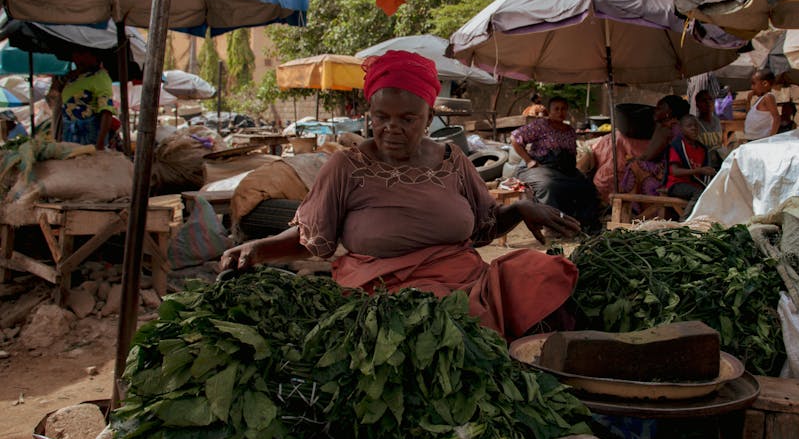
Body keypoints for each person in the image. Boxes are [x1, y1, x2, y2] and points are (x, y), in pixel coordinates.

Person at [220, 51, 581, 340]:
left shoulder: (453, 161)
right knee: (443, 325)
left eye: (408, 118)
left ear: (429, 116)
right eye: (381, 117)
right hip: (386, 294)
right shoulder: (347, 166)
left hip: (467, 280)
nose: (392, 128)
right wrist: (259, 249)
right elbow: (312, 238)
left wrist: (520, 208)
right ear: (370, 115)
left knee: (544, 271)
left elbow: (482, 230)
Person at [511, 96, 601, 232]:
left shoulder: (570, 130)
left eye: (563, 109)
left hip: (564, 170)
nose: (560, 112)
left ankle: (581, 225)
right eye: (556, 109)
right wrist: (529, 160)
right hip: (540, 167)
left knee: (587, 187)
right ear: (550, 111)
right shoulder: (540, 125)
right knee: (548, 186)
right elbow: (515, 138)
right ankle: (552, 227)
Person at [620, 95, 688, 196]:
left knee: (633, 167)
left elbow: (649, 155)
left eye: (659, 108)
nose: (655, 111)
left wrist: (635, 160)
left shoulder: (666, 128)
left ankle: (633, 207)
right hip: (683, 170)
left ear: (668, 113)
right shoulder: (681, 125)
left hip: (667, 173)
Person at [60, 50, 116, 149]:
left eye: (81, 54)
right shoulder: (74, 77)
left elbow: (107, 112)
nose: (77, 58)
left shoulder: (100, 77)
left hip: (88, 136)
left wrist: (100, 144)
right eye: (75, 54)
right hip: (69, 134)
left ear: (94, 56)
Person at [663, 116, 716, 216]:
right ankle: (686, 221)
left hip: (694, 184)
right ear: (682, 129)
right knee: (699, 193)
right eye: (689, 126)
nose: (693, 128)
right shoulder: (677, 146)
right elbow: (675, 171)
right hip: (676, 184)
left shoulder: (702, 149)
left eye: (696, 126)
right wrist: (699, 171)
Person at [744, 70, 780, 140]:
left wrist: (771, 138)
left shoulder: (768, 97)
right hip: (753, 139)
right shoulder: (761, 98)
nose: (752, 87)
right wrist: (749, 100)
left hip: (760, 140)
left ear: (765, 83)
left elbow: (776, 118)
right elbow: (749, 114)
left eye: (754, 84)